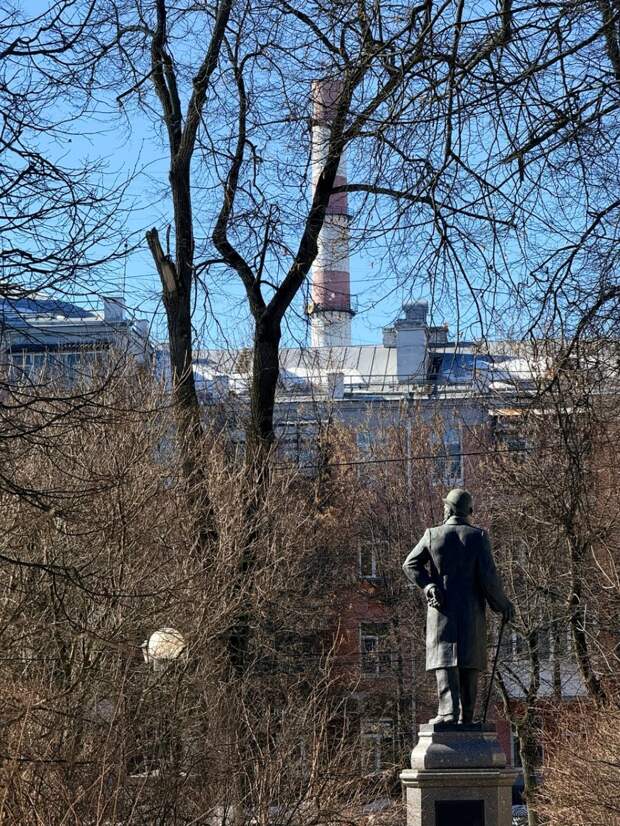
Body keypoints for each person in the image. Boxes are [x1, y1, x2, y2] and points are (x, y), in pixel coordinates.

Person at [402, 488, 514, 724]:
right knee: (468, 663)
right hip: (470, 614)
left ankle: (447, 713)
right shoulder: (478, 537)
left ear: (450, 509)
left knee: (445, 661)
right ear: (468, 511)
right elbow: (489, 578)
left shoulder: (433, 534)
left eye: (445, 506)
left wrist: (428, 586)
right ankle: (467, 716)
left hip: (441, 611)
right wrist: (503, 605)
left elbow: (410, 564)